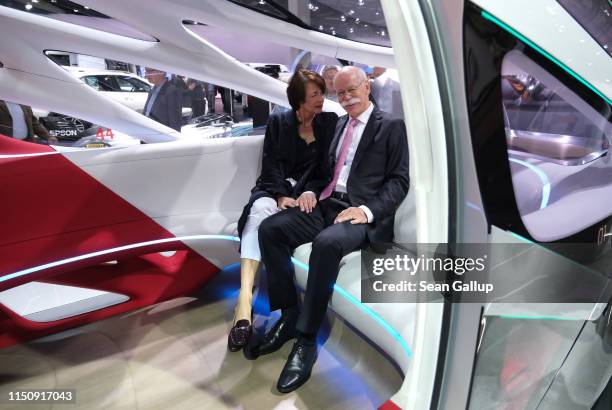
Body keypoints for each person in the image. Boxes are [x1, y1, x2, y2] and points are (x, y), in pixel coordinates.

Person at [254, 66, 410, 393]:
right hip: (325, 204)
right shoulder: (339, 124)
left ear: (367, 87)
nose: (346, 97)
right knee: (270, 230)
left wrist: (366, 211)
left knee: (325, 244)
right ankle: (288, 316)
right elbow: (323, 170)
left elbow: (398, 182)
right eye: (339, 93)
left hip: (359, 215)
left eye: (351, 89)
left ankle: (307, 339)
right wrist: (308, 191)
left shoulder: (391, 126)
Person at [229, 69, 338, 352]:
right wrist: (278, 195)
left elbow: (328, 170)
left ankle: (246, 306)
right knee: (259, 210)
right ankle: (244, 302)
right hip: (275, 188)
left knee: (267, 225)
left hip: (307, 194)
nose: (321, 99)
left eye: (322, 93)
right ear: (299, 99)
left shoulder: (329, 122)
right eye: (314, 94)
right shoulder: (279, 120)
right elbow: (271, 165)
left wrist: (308, 190)